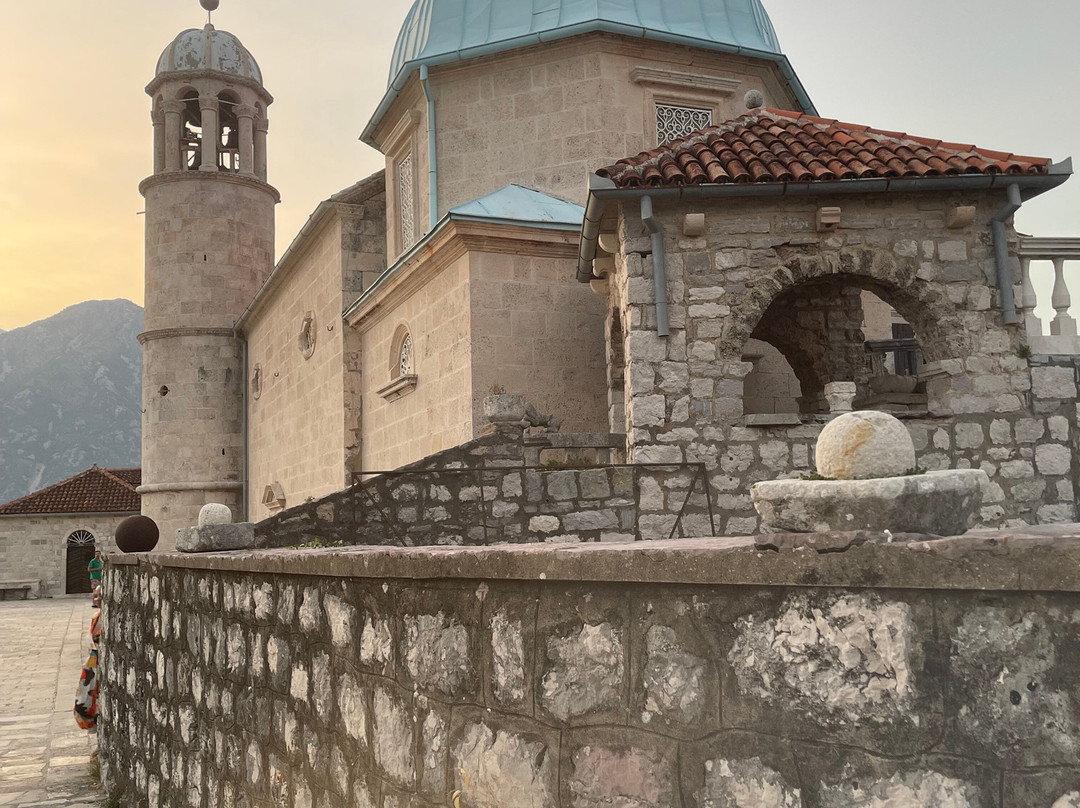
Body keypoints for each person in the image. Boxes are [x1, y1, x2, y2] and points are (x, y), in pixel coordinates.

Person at [74, 587, 102, 730]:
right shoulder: (96, 617)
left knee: (96, 704)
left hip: (99, 667)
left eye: (100, 595)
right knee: (82, 703)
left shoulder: (108, 619)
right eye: (94, 595)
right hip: (90, 667)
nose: (96, 599)